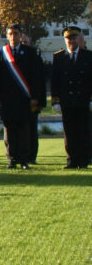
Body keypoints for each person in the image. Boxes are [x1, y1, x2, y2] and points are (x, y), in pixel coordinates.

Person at [0, 23, 46, 170]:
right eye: (10, 33)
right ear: (7, 36)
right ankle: (11, 159)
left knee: (23, 131)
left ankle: (23, 159)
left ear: (20, 35)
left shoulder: (30, 52)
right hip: (7, 100)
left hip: (24, 99)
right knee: (9, 132)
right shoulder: (2, 53)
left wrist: (35, 97)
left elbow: (36, 77)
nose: (13, 36)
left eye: (15, 33)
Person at [50, 24, 92, 169]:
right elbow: (55, 80)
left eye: (74, 38)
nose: (71, 41)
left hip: (83, 100)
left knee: (84, 131)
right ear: (64, 40)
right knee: (69, 132)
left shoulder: (88, 56)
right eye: (68, 38)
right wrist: (55, 100)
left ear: (78, 38)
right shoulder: (59, 57)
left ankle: (84, 160)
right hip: (67, 101)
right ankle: (72, 160)